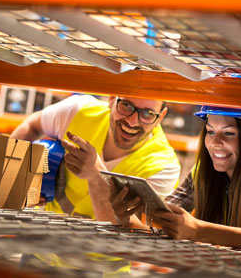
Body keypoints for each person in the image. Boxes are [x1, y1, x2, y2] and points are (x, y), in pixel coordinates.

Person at [110, 105, 241, 254]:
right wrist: (129, 218)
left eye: (228, 133)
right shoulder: (201, 173)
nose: (215, 143)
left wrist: (199, 231)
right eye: (211, 131)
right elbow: (168, 219)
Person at [10, 94, 180, 222]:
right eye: (126, 105)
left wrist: (95, 174)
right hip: (40, 248)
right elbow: (31, 125)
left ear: (161, 117)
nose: (133, 121)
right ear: (112, 99)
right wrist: (13, 181)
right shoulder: (78, 111)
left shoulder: (163, 167)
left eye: (148, 114)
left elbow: (130, 231)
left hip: (99, 265)